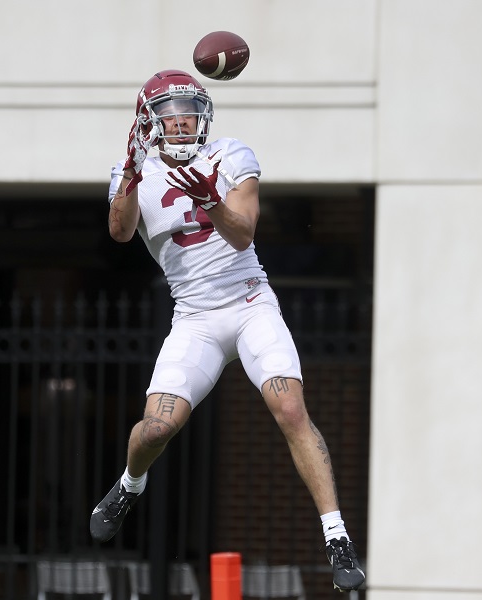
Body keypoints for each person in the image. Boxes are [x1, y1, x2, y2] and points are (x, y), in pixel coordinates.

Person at [91, 69, 365, 592]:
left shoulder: (231, 155)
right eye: (171, 114)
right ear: (150, 122)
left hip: (249, 303)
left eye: (190, 111)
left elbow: (242, 235)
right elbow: (120, 232)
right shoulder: (135, 172)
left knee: (289, 407)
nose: (182, 122)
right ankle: (130, 485)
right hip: (193, 316)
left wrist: (211, 201)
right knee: (156, 429)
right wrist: (129, 170)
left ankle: (337, 537)